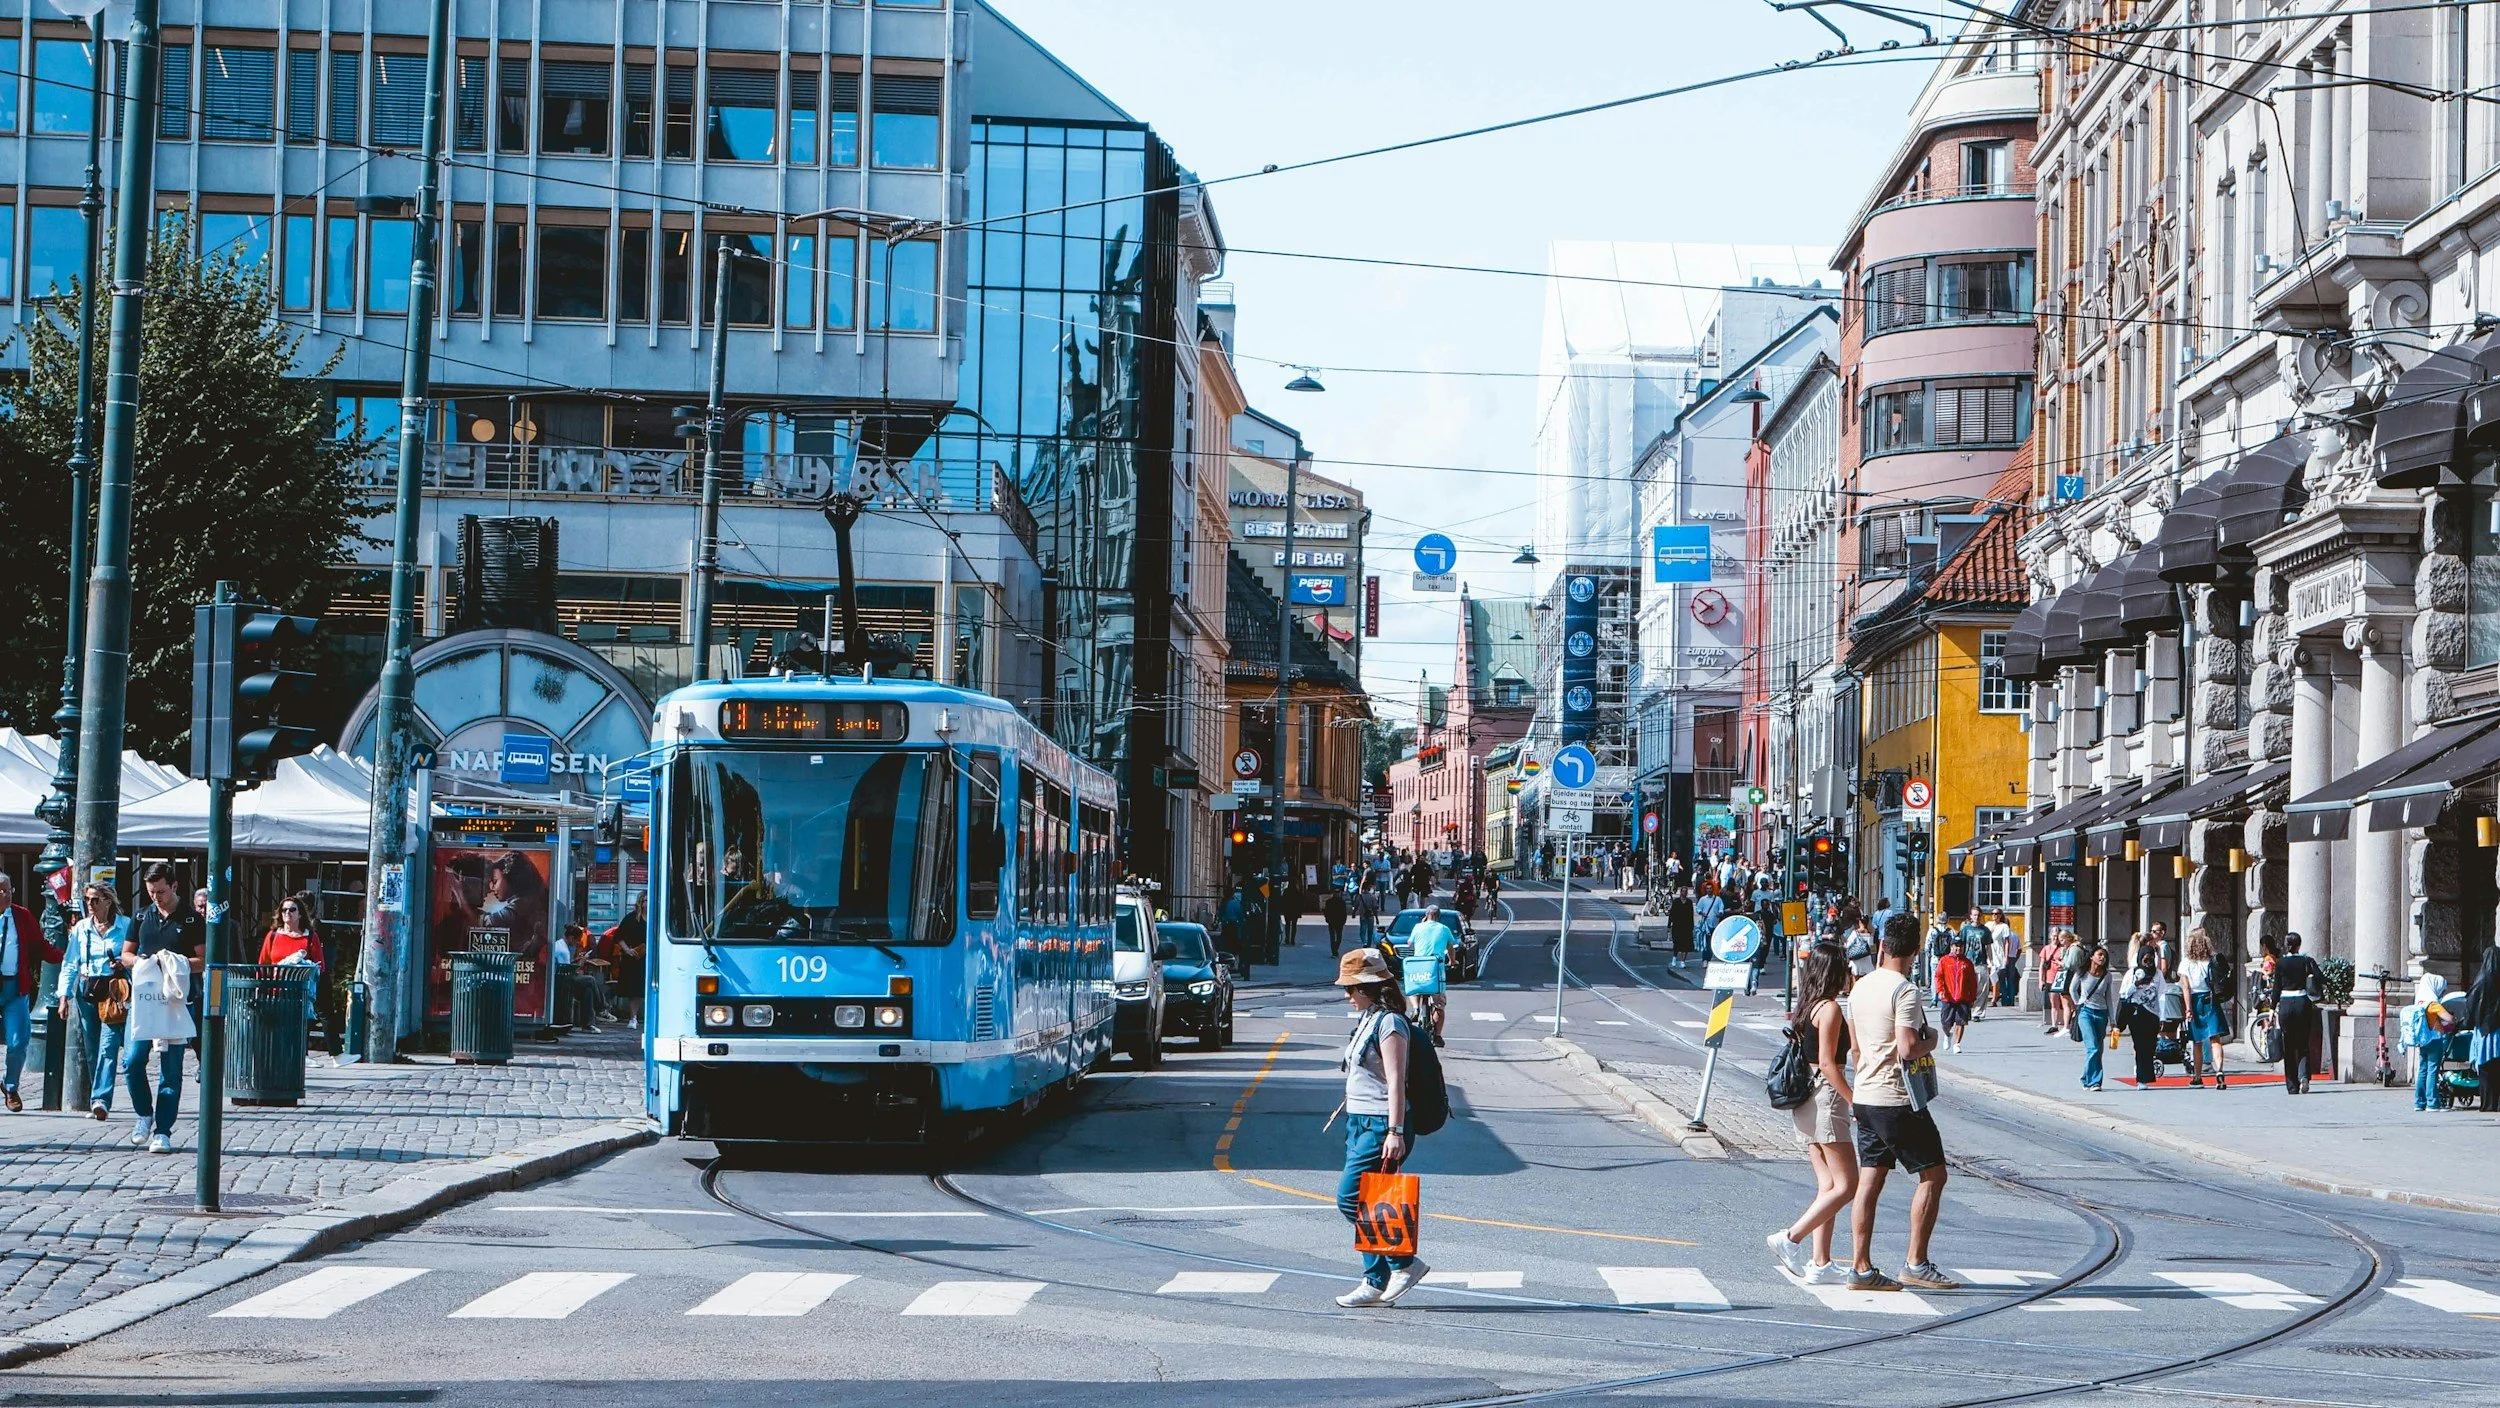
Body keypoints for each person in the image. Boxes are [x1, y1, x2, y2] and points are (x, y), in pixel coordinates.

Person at [1844, 914, 1956, 1292]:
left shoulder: (1859, 989)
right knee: (1933, 1175)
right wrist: (1933, 1039)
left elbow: (1856, 1049)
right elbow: (1908, 1048)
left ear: (1882, 946)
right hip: (1896, 1099)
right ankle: (1916, 1263)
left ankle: (1860, 1268)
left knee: (1870, 1180)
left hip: (1865, 1096)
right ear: (1916, 952)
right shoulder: (1905, 991)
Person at [1331, 948, 1427, 1306]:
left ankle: (1403, 1264)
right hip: (1359, 1121)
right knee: (1369, 1201)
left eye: (1351, 988)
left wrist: (1395, 1132)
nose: (1346, 995)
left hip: (1379, 1124)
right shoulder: (1370, 1016)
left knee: (1350, 1199)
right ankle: (1374, 1281)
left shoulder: (1390, 1023)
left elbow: (1396, 1081)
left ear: (1369, 987)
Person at [1769, 941, 1859, 1287]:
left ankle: (1821, 1263)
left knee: (1828, 1185)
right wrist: (1854, 1101)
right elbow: (1827, 1063)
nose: (1850, 973)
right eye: (1845, 967)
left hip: (1805, 1099)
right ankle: (1790, 1238)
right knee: (1848, 1185)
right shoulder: (1831, 1009)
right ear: (1834, 972)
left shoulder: (1807, 1006)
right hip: (1826, 1097)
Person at [120, 864, 202, 1152]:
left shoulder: (191, 919)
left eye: (162, 891)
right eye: (151, 891)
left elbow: (202, 960)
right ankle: (144, 1112)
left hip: (175, 1001)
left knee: (171, 1068)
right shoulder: (142, 915)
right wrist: (144, 962)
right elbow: (126, 954)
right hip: (143, 1000)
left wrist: (173, 962)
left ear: (175, 887)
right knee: (132, 1060)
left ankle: (163, 1130)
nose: (157, 897)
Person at [57, 883, 130, 1119]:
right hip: (87, 988)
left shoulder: (125, 926)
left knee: (108, 1046)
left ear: (108, 902)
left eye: (95, 900)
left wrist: (122, 964)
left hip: (113, 990)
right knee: (92, 1046)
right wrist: (63, 996)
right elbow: (70, 963)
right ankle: (96, 1098)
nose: (90, 904)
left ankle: (101, 1099)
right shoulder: (81, 928)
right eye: (88, 899)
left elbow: (135, 956)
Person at [0, 874, 60, 1114]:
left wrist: (65, 960)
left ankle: (11, 1086)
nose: (6, 894)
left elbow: (39, 945)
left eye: (8, 889)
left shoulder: (22, 916)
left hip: (15, 986)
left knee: (18, 1041)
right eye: (1, 890)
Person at [2273, 932, 2326, 1094]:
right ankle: (2304, 1076)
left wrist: (2271, 1009)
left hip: (2286, 1004)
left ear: (2286, 944)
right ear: (2299, 945)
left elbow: (2276, 988)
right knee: (2303, 1044)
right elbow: (2321, 978)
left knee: (2288, 1045)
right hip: (2303, 1003)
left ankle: (2292, 1085)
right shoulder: (2306, 961)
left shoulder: (2281, 963)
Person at [2179, 926, 2228, 1089]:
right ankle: (2219, 1071)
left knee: (2197, 1041)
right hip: (2211, 1000)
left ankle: (2197, 1076)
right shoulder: (2210, 961)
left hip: (2195, 1001)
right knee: (2215, 1039)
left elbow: (2186, 988)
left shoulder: (2185, 963)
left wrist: (2188, 1009)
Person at [2117, 942, 2169, 1089]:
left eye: (2151, 960)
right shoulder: (2132, 973)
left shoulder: (2158, 974)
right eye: (2145, 960)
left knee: (2150, 1046)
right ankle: (2142, 1079)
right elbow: (2124, 993)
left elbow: (2162, 995)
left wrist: (2163, 1016)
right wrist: (2136, 984)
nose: (2148, 963)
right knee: (2139, 1046)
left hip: (2152, 1014)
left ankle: (2146, 1074)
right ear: (2140, 959)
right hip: (2136, 1013)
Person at [1404, 905, 1456, 1044]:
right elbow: (1450, 947)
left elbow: (1409, 943)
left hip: (1419, 965)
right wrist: (1452, 961)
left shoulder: (1418, 927)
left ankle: (1415, 1009)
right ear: (1438, 917)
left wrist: (1421, 926)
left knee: (1413, 986)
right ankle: (1438, 1036)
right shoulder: (1444, 929)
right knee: (1439, 1003)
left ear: (1426, 916)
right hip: (1435, 967)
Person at [2403, 974, 2453, 1112]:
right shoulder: (2433, 1004)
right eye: (2441, 988)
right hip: (2434, 1040)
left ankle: (2419, 1102)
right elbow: (2449, 1019)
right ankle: (2432, 1102)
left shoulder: (2419, 1003)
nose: (2442, 991)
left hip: (2423, 1041)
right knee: (2433, 1071)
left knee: (2423, 1071)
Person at [2072, 945, 2118, 1091]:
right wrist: (2079, 1003)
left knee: (2098, 1049)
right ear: (2092, 956)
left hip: (2101, 1013)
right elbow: (2072, 989)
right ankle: (2094, 1082)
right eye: (2099, 955)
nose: (2102, 958)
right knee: (2093, 1048)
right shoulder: (2082, 973)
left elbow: (2109, 998)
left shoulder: (2107, 976)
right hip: (2085, 1013)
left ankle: (2086, 1077)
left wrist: (2113, 1019)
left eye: (2104, 956)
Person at [2461, 947, 2500, 1112]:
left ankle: (2487, 1103)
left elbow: (2471, 1004)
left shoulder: (2481, 980)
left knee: (2485, 1068)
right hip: (2498, 1031)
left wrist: (2466, 1023)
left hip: (2485, 1032)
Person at [1933, 939, 1978, 1054]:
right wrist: (1940, 990)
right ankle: (1948, 1034)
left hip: (1963, 997)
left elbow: (1973, 981)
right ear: (1951, 947)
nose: (1959, 949)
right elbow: (1938, 977)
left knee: (1961, 1022)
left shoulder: (1967, 963)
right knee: (1945, 1023)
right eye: (1956, 946)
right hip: (1948, 997)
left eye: (1961, 946)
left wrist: (1972, 997)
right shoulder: (1944, 961)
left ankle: (1957, 1044)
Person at [1988, 912, 2021, 1009]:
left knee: (2001, 980)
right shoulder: (2015, 935)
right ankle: (2011, 1000)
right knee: (2010, 980)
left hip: (2002, 957)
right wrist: (2015, 959)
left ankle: (2004, 1000)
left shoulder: (2003, 934)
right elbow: (2019, 949)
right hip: (2012, 958)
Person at [1322, 886, 1351, 958]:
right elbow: (1326, 912)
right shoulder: (1335, 902)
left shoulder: (1339, 902)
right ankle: (1334, 951)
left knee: (1336, 937)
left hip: (1336, 921)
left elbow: (1344, 913)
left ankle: (1335, 950)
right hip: (1335, 921)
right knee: (1336, 937)